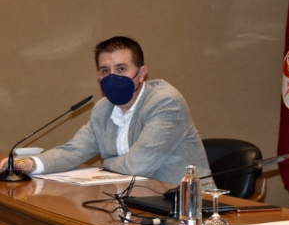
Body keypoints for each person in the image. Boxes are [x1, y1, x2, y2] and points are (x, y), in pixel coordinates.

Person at [0, 36, 213, 185]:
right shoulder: (104, 108)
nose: (112, 77)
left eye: (121, 69)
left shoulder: (165, 102)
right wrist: (29, 164)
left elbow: (138, 166)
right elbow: (75, 150)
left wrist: (107, 162)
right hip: (139, 201)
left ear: (141, 73)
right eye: (105, 71)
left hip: (189, 206)